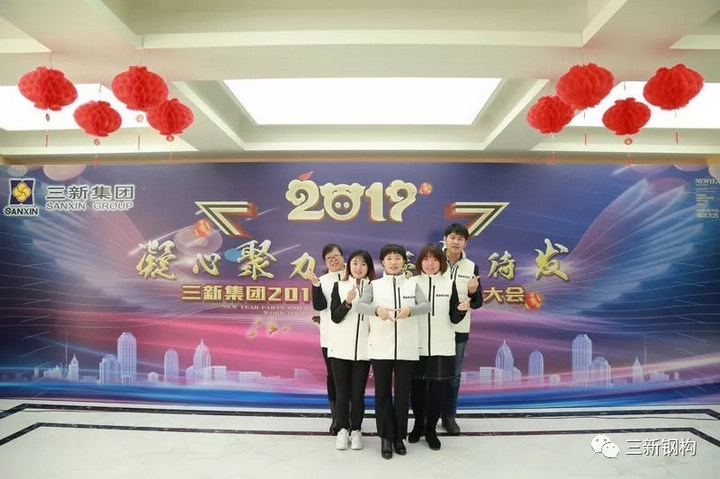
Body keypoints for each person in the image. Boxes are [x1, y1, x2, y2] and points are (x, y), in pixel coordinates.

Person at [356, 244, 430, 459]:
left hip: (407, 348)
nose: (393, 262)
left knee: (402, 394)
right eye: (389, 258)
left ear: (404, 262)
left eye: (397, 258)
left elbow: (426, 306)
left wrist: (410, 310)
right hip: (381, 347)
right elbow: (360, 306)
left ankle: (399, 437)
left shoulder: (413, 284)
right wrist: (376, 310)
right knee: (382, 394)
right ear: (382, 262)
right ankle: (386, 438)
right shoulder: (374, 285)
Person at [407, 243, 469, 450]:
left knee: (436, 392)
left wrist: (461, 310)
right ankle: (418, 426)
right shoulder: (411, 283)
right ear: (420, 262)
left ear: (441, 262)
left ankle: (431, 430)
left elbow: (454, 318)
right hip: (415, 345)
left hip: (442, 346)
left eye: (434, 259)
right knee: (416, 390)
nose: (430, 263)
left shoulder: (449, 284)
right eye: (426, 259)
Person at [328, 249, 375, 450]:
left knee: (357, 394)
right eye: (355, 263)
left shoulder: (375, 288)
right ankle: (342, 430)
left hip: (363, 351)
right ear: (349, 266)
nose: (358, 267)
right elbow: (335, 317)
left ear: (368, 268)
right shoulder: (339, 286)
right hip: (340, 350)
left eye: (363, 264)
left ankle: (356, 430)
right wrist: (347, 301)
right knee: (342, 394)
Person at [441, 224, 483, 435]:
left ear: (465, 243)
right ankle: (427, 416)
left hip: (459, 327)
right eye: (452, 237)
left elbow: (477, 303)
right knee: (428, 374)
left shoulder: (471, 266)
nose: (455, 242)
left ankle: (449, 416)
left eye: (460, 239)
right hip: (432, 328)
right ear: (445, 239)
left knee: (454, 376)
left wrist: (473, 292)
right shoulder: (432, 260)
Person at [307, 244, 345, 435]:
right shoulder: (321, 281)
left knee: (351, 378)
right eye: (329, 258)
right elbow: (319, 306)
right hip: (330, 338)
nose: (334, 260)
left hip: (354, 337)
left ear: (343, 257)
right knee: (333, 376)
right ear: (325, 262)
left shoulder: (354, 276)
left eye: (336, 256)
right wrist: (315, 284)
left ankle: (351, 415)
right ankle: (336, 417)